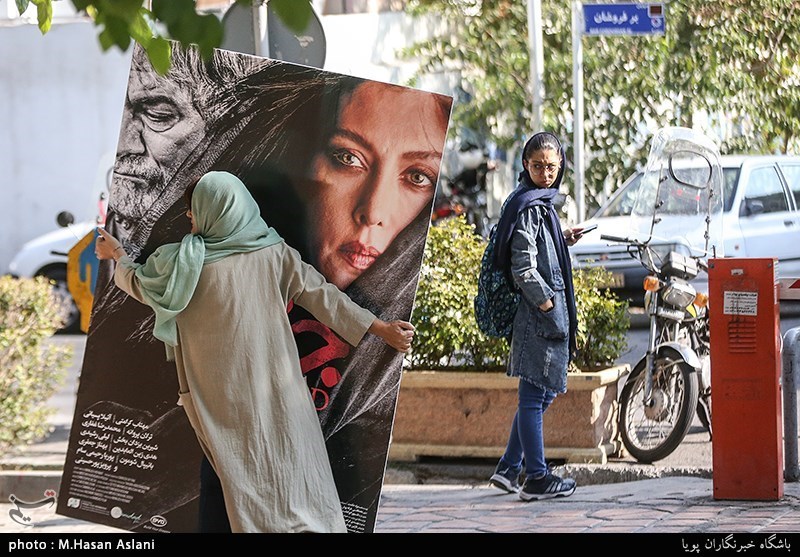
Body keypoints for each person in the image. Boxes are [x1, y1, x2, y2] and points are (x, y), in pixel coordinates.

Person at [94, 170, 416, 533]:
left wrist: (116, 254)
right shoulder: (271, 253)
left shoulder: (182, 263)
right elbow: (324, 297)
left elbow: (139, 283)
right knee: (286, 473)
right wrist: (380, 328)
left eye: (193, 209)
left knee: (224, 475)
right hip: (276, 394)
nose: (189, 218)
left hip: (216, 399)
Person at [488, 131, 586, 501]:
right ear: (526, 166)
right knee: (534, 396)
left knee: (541, 394)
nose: (545, 173)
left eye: (551, 166)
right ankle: (537, 477)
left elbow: (538, 244)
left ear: (560, 166)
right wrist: (546, 305)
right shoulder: (529, 204)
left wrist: (562, 237)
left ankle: (509, 468)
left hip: (545, 312)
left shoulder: (540, 204)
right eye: (537, 166)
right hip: (539, 315)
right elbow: (522, 265)